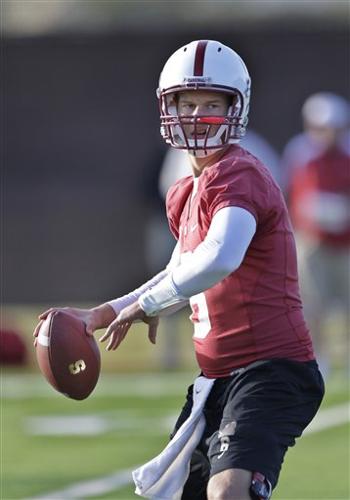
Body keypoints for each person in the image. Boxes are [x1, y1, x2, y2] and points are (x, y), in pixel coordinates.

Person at [34, 40, 325, 500]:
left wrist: (150, 305)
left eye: (212, 103)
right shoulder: (184, 191)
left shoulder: (239, 174)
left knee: (230, 490)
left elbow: (221, 257)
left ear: (236, 108)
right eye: (186, 103)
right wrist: (104, 313)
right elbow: (181, 269)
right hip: (217, 379)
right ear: (167, 106)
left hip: (273, 370)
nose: (196, 115)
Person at [281, 92, 350, 378]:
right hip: (311, 240)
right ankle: (318, 356)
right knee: (312, 304)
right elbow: (289, 192)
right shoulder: (299, 152)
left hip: (345, 242)